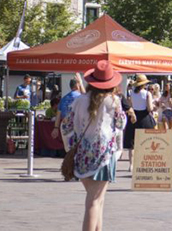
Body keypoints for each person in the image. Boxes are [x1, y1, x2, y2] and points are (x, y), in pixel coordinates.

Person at [61, 61, 125, 231]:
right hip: (103, 155)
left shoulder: (79, 100)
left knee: (97, 201)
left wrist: (70, 146)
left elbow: (66, 126)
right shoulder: (113, 101)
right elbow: (121, 124)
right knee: (95, 202)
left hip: (82, 155)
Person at [123, 74, 156, 167]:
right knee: (146, 141)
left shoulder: (131, 93)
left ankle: (131, 164)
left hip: (134, 117)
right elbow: (149, 108)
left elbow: (129, 105)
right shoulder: (147, 93)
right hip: (144, 117)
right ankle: (143, 162)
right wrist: (154, 107)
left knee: (131, 143)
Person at [53, 75, 86, 147]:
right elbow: (87, 98)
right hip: (77, 126)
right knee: (78, 149)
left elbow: (58, 114)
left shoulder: (64, 98)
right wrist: (81, 83)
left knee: (69, 150)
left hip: (65, 126)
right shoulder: (81, 97)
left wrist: (56, 128)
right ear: (77, 85)